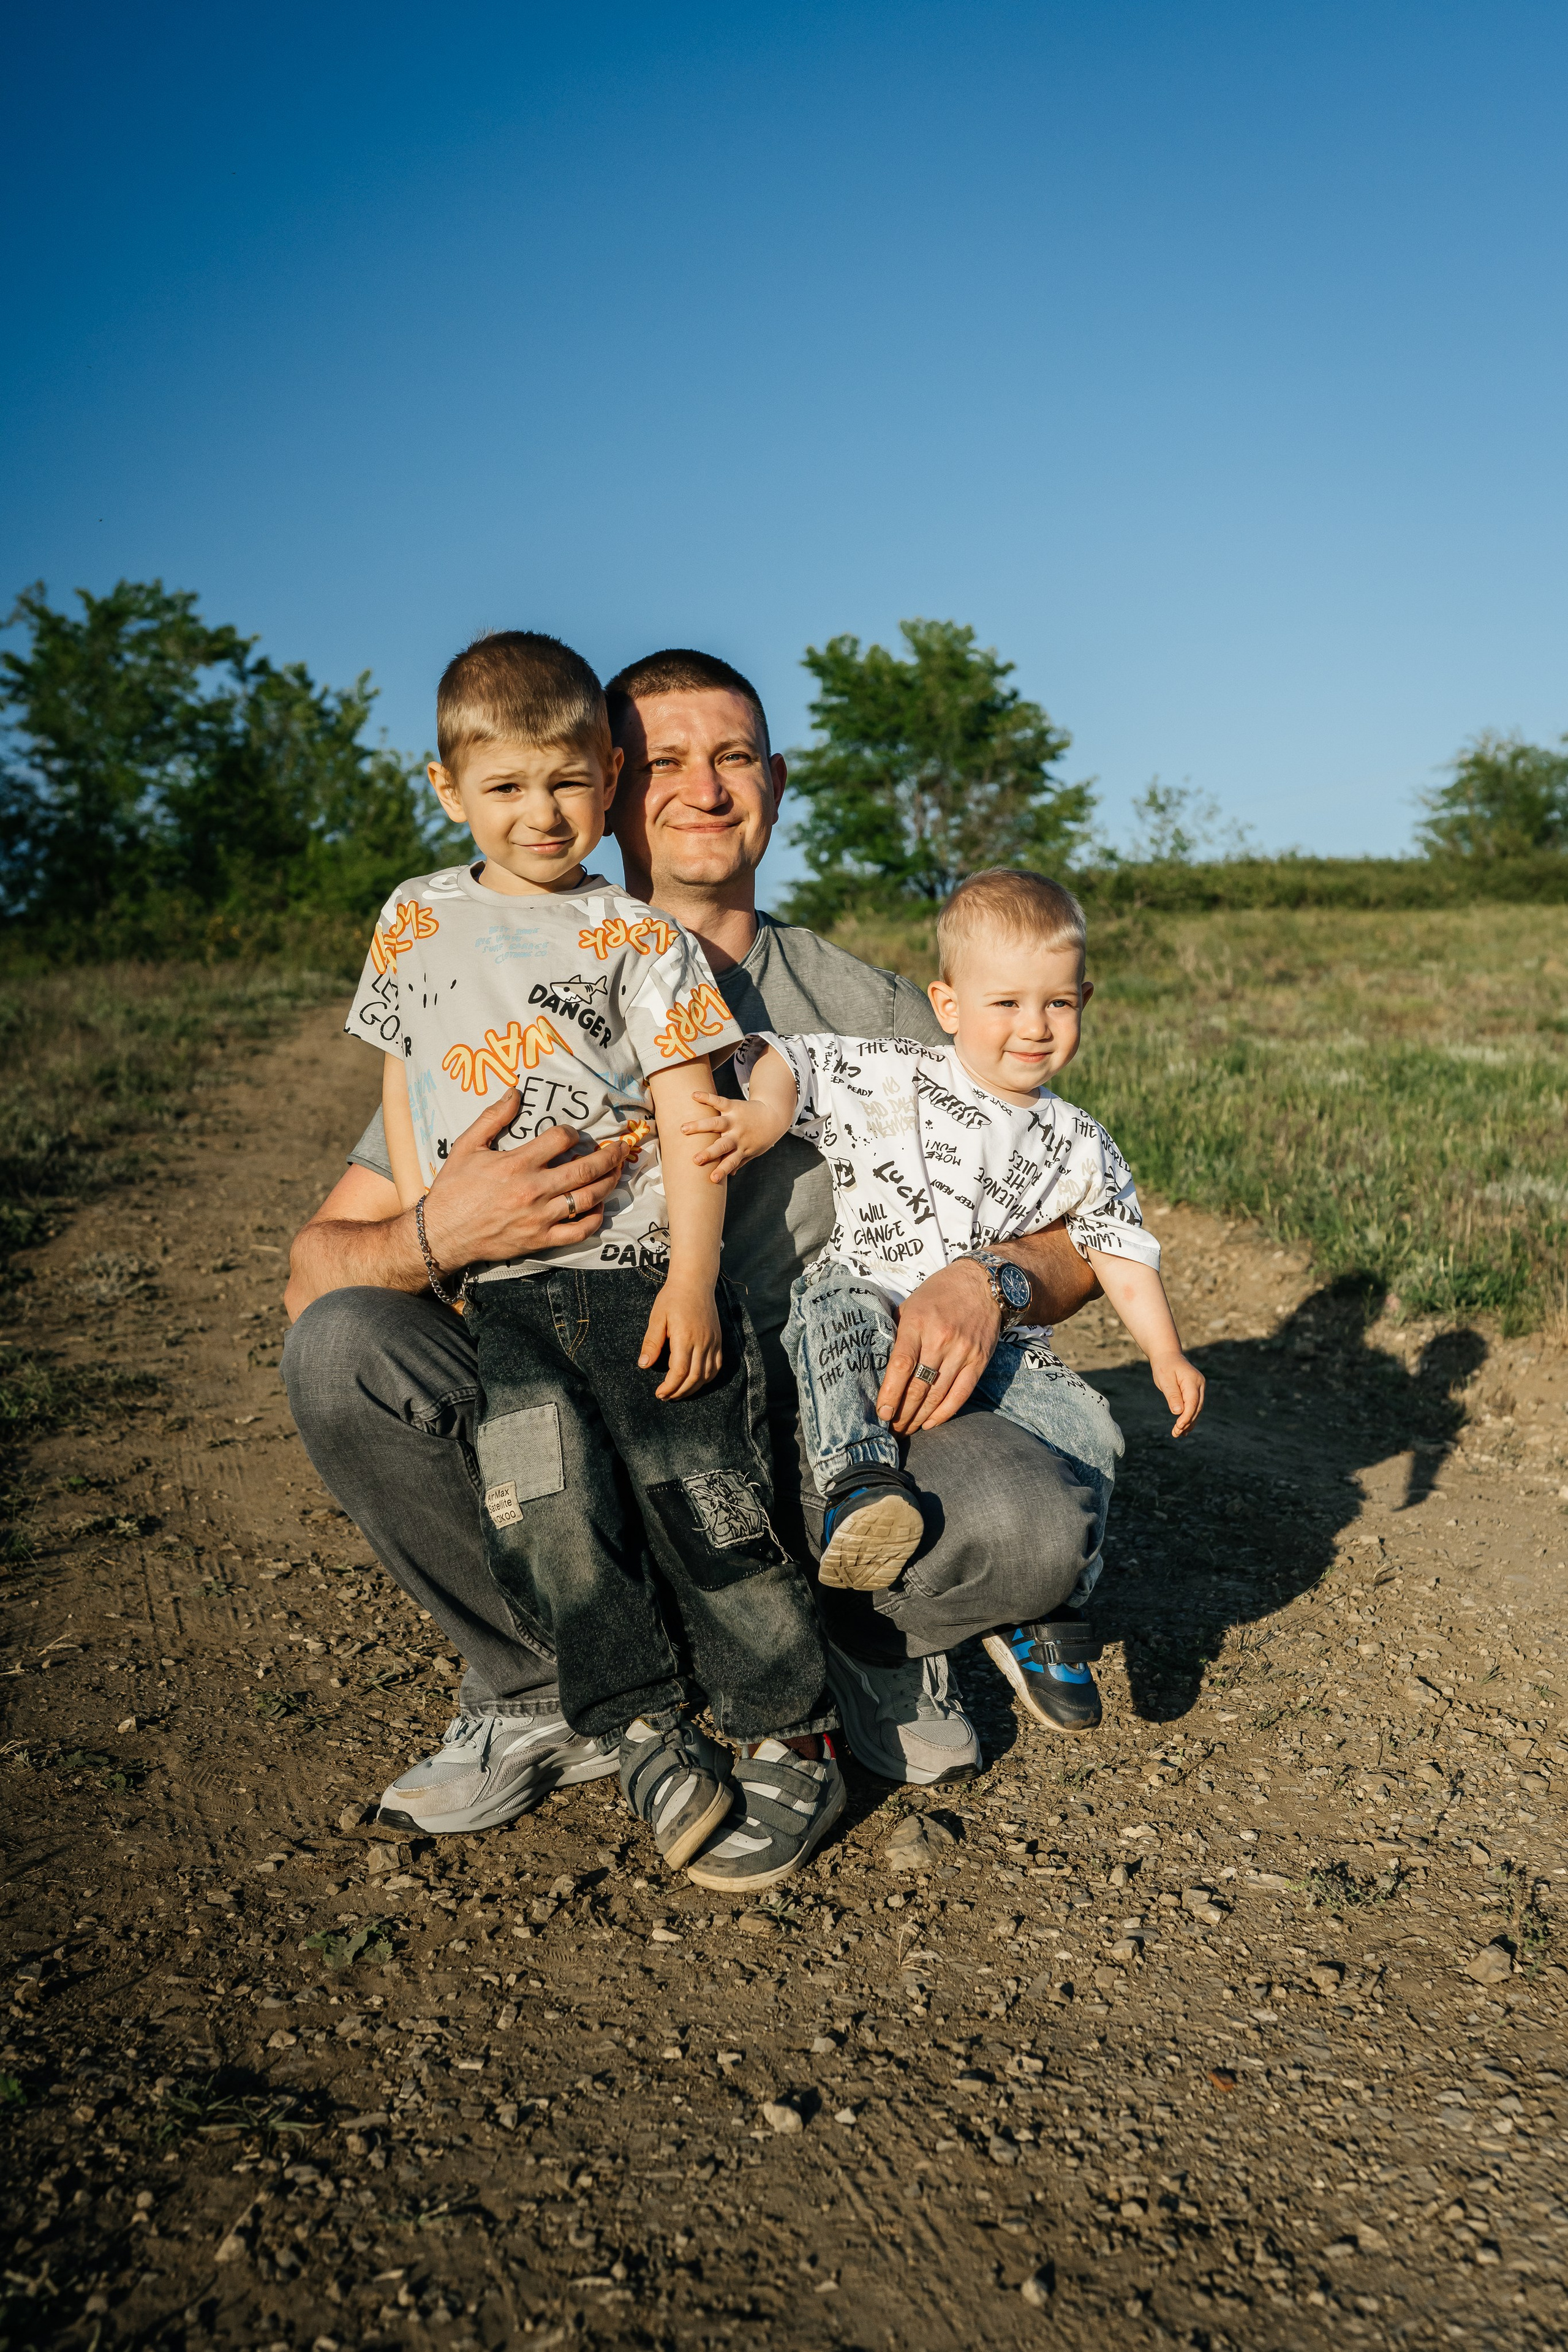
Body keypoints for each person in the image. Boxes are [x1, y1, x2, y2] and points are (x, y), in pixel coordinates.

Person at [282, 647, 1109, 1839]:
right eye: (665, 763)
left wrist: (993, 1281)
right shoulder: (495, 980)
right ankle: (541, 1691)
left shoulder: (867, 1006)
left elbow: (1072, 1229)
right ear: (611, 786)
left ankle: (850, 1648)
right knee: (342, 1347)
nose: (704, 790)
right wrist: (432, 1233)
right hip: (570, 1401)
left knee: (1029, 1524)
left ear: (774, 780)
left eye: (731, 759)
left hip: (805, 1431)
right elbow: (318, 1268)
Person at [342, 630, 843, 1888]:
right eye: (504, 789)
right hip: (503, 1296)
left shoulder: (637, 939)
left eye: (568, 785)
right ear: (446, 789)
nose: (542, 814)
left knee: (701, 1493)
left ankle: (790, 1718)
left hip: (633, 1280)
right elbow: (405, 1083)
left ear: (603, 780)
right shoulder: (414, 920)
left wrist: (685, 1277)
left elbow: (691, 1118)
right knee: (545, 1503)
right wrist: (431, 1231)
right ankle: (639, 1730)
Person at [684, 865, 1205, 1722]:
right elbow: (789, 1055)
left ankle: (1055, 1604)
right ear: (949, 1003)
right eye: (1006, 1004)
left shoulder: (1080, 1140)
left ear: (1084, 1000)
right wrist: (766, 1117)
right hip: (869, 1289)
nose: (1034, 1028)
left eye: (1058, 1004)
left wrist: (1164, 1348)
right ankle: (861, 1486)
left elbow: (1115, 1247)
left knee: (1094, 1432)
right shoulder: (894, 1071)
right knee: (836, 1324)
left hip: (991, 1339)